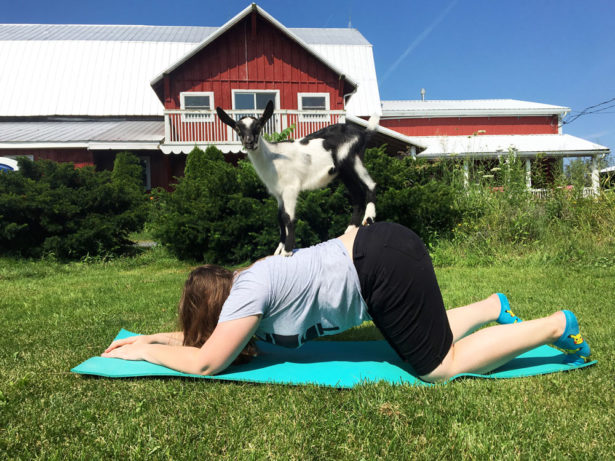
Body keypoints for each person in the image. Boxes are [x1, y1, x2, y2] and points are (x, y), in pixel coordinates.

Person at [103, 222, 591, 382]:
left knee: (438, 366)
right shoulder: (247, 285)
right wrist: (148, 337)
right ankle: (492, 306)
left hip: (379, 263)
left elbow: (207, 361)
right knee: (419, 333)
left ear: (216, 306)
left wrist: (146, 352)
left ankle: (554, 326)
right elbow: (204, 341)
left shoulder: (248, 293)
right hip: (382, 247)